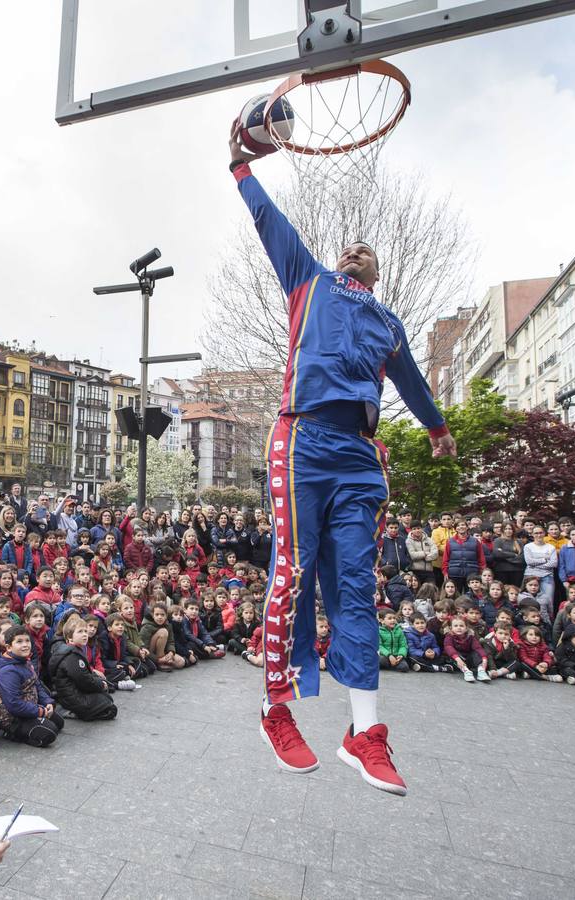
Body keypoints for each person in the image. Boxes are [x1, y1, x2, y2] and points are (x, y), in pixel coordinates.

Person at [229, 129, 455, 790]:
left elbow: (411, 381)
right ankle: (276, 709)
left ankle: (364, 735)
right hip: (301, 440)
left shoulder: (388, 323)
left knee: (357, 589)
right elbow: (271, 221)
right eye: (349, 246)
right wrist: (240, 167)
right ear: (339, 261)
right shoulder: (310, 281)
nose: (356, 249)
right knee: (293, 571)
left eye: (367, 249)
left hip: (357, 455)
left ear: (377, 272)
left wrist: (438, 427)